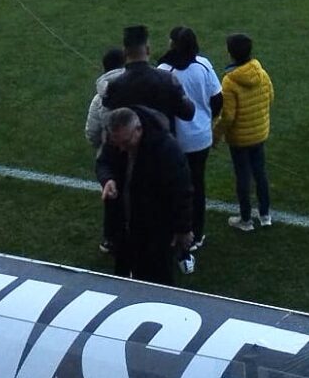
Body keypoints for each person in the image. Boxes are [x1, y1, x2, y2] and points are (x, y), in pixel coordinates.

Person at [96, 107, 194, 284]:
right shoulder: (117, 139)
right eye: (117, 143)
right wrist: (107, 179)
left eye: (125, 142)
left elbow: (182, 190)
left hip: (154, 231)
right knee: (122, 277)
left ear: (138, 129)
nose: (121, 148)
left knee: (156, 279)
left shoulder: (166, 149)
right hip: (123, 226)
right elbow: (103, 162)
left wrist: (183, 228)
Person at [160, 27, 223, 267]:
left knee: (173, 188)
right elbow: (218, 99)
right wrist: (205, 119)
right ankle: (196, 233)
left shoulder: (165, 70)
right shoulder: (203, 65)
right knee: (197, 184)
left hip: (175, 141)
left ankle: (174, 232)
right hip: (201, 138)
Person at [215, 33, 273, 232]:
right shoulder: (261, 73)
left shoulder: (230, 81)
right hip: (259, 132)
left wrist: (216, 135)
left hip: (240, 138)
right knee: (260, 173)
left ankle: (246, 219)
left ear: (231, 53)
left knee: (243, 177)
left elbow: (228, 116)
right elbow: (270, 96)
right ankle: (265, 215)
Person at [104, 25, 195, 120]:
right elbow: (188, 113)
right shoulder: (166, 79)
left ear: (125, 52)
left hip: (131, 134)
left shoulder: (115, 86)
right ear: (148, 50)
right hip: (161, 134)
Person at [83, 47, 125, 253]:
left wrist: (102, 148)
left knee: (112, 197)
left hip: (111, 157)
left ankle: (110, 238)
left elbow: (91, 132)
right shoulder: (137, 89)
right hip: (134, 153)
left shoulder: (99, 99)